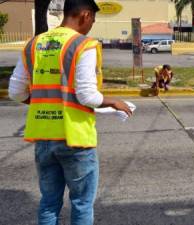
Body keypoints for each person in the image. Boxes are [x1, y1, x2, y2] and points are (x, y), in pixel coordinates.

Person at [8, 0, 133, 224]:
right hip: (75, 138)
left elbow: (16, 92)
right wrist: (115, 102)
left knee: (49, 202)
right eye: (93, 20)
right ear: (85, 15)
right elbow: (87, 95)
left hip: (44, 137)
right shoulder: (83, 44)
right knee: (82, 204)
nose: (91, 26)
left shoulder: (33, 44)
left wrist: (43, 103)